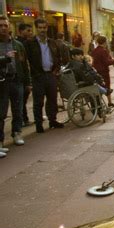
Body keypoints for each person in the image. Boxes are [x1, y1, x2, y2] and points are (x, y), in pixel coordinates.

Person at [25, 18, 63, 133]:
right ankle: (39, 124)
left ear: (47, 28)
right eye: (40, 28)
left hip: (51, 74)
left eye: (44, 27)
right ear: (36, 28)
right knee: (38, 102)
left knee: (52, 99)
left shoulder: (52, 42)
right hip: (38, 76)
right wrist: (33, 75)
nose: (42, 30)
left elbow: (58, 57)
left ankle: (52, 120)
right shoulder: (30, 43)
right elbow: (28, 60)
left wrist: (56, 69)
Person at [0, 15, 31, 158]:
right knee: (1, 112)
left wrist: (27, 81)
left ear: (9, 27)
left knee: (18, 108)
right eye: (0, 26)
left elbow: (24, 64)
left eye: (5, 25)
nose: (3, 28)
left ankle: (17, 133)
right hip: (2, 82)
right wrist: (5, 58)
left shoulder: (17, 45)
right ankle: (0, 140)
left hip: (16, 80)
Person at [16, 23, 33, 127]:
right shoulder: (19, 44)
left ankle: (24, 118)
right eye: (28, 30)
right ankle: (22, 119)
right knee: (20, 99)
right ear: (21, 31)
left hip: (26, 75)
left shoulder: (27, 42)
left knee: (23, 98)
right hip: (19, 76)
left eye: (30, 30)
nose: (30, 33)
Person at [91, 35, 114, 107]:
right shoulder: (103, 51)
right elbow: (106, 62)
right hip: (104, 71)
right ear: (105, 42)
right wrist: (113, 61)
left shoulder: (94, 51)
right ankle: (109, 102)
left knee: (99, 86)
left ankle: (99, 103)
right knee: (107, 86)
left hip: (96, 71)